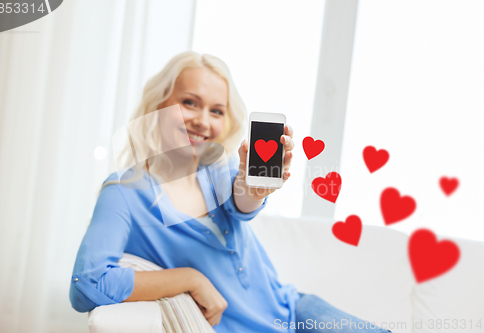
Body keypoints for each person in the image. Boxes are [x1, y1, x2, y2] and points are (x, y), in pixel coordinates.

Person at [69, 51, 391, 333]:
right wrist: (190, 279)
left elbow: (242, 201)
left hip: (296, 311)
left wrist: (254, 189)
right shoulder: (124, 193)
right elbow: (87, 284)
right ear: (159, 105)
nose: (201, 120)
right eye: (189, 102)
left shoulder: (217, 170)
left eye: (217, 111)